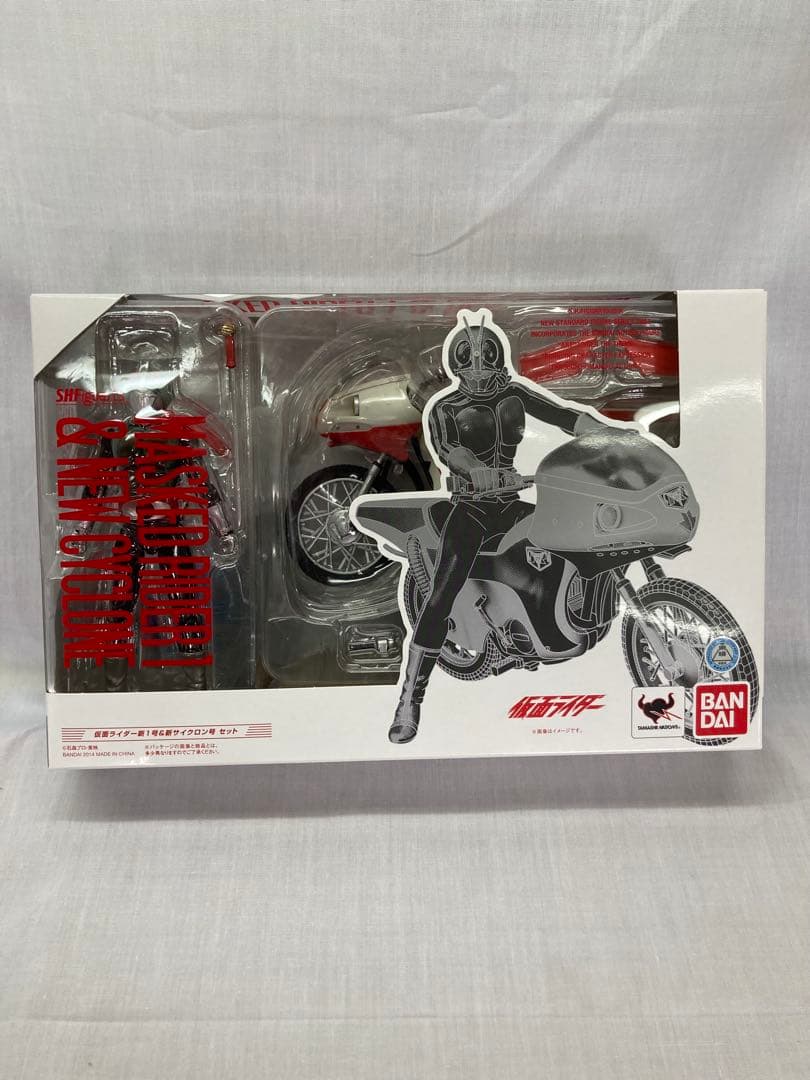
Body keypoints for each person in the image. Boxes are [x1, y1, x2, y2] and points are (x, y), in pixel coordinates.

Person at [389, 312, 604, 743]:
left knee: (573, 538)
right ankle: (410, 698)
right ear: (456, 361)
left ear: (497, 356)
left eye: (486, 355)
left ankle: (556, 623)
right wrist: (475, 471)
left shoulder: (514, 394)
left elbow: (564, 415)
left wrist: (608, 434)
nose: (479, 365)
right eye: (469, 357)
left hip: (512, 501)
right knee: (441, 595)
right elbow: (451, 451)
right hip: (471, 508)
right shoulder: (446, 408)